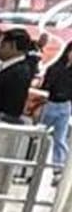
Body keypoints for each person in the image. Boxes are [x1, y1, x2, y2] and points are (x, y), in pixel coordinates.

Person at [0, 29, 35, 123]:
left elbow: (12, 107)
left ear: (13, 46)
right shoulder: (13, 68)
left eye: (2, 45)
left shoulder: (19, 72)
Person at [38, 43, 72, 186]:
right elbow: (46, 87)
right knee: (39, 136)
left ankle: (58, 171)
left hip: (65, 106)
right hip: (50, 104)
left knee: (60, 139)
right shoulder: (55, 68)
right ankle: (31, 166)